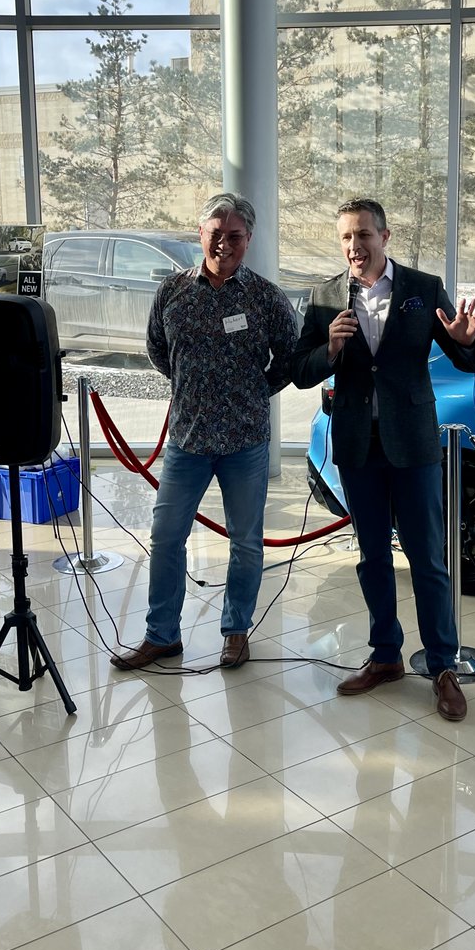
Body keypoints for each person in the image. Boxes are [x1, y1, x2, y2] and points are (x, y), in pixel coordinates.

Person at [291, 198, 475, 721]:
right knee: (372, 556)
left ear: (385, 236)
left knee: (428, 558)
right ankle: (385, 656)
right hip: (357, 446)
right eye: (346, 239)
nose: (354, 247)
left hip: (414, 445)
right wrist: (327, 351)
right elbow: (299, 370)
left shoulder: (422, 290)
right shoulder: (323, 298)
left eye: (363, 236)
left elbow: (468, 355)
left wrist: (467, 343)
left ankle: (443, 666)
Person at [111, 193, 297, 672]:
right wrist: (191, 385)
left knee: (246, 542)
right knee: (166, 537)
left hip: (245, 442)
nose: (223, 244)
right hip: (187, 440)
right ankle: (162, 635)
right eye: (216, 234)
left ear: (248, 241)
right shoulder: (172, 291)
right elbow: (156, 349)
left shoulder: (265, 297)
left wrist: (258, 391)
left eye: (234, 236)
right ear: (200, 234)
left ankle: (236, 632)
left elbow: (292, 358)